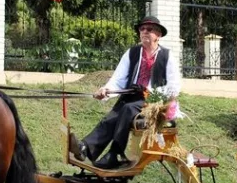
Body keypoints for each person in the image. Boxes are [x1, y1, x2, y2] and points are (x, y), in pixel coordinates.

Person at [70, 15, 180, 169]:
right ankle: (85, 148)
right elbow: (118, 78)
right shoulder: (132, 53)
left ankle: (115, 154)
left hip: (154, 102)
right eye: (142, 29)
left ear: (158, 35)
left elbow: (174, 87)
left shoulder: (168, 56)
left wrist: (150, 91)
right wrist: (106, 90)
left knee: (127, 109)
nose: (144, 32)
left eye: (149, 29)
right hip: (131, 96)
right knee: (113, 116)